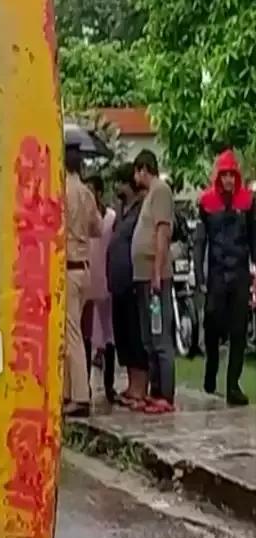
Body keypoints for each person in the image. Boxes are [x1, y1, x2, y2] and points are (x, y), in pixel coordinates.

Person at [194, 149, 256, 406]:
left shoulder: (248, 202)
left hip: (240, 272)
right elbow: (200, 241)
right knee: (212, 324)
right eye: (225, 175)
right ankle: (211, 367)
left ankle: (233, 385)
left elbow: (254, 239)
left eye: (232, 175)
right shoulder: (206, 203)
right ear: (218, 177)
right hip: (217, 273)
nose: (229, 180)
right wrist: (199, 273)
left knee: (239, 331)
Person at [131, 149, 176, 411]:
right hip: (143, 276)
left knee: (159, 336)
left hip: (153, 275)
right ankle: (155, 388)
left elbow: (162, 232)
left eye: (137, 172)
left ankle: (165, 394)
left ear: (143, 169)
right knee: (149, 335)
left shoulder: (160, 191)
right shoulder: (150, 195)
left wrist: (157, 271)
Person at [64, 144, 103, 416]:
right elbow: (98, 228)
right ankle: (69, 391)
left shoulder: (60, 191)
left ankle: (79, 394)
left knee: (71, 332)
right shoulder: (86, 193)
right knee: (71, 329)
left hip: (67, 267)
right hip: (84, 267)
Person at [109, 172, 147, 406]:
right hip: (117, 282)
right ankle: (132, 386)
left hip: (132, 280)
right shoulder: (122, 211)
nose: (117, 187)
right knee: (123, 334)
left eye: (120, 181)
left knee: (135, 335)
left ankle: (140, 388)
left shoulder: (140, 211)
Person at [86, 175, 117, 402]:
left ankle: (109, 384)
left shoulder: (110, 218)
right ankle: (84, 383)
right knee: (86, 332)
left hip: (106, 279)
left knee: (109, 334)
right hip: (87, 280)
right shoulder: (83, 218)